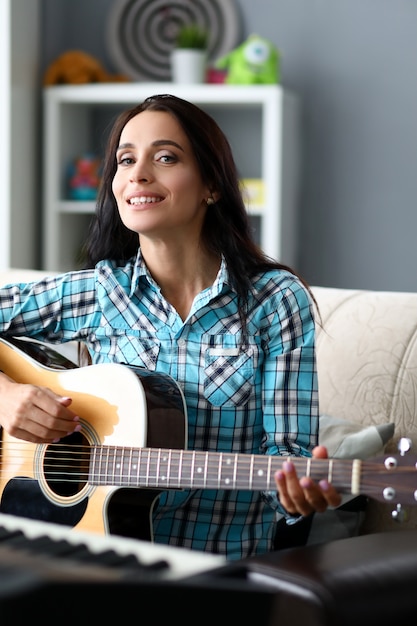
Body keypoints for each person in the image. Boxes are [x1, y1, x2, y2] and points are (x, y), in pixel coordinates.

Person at [0, 94, 341, 560]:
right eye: (125, 159)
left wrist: (300, 498)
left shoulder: (275, 300)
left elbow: (288, 461)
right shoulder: (98, 292)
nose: (138, 173)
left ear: (211, 186)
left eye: (165, 157)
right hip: (97, 563)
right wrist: (6, 396)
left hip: (220, 573)